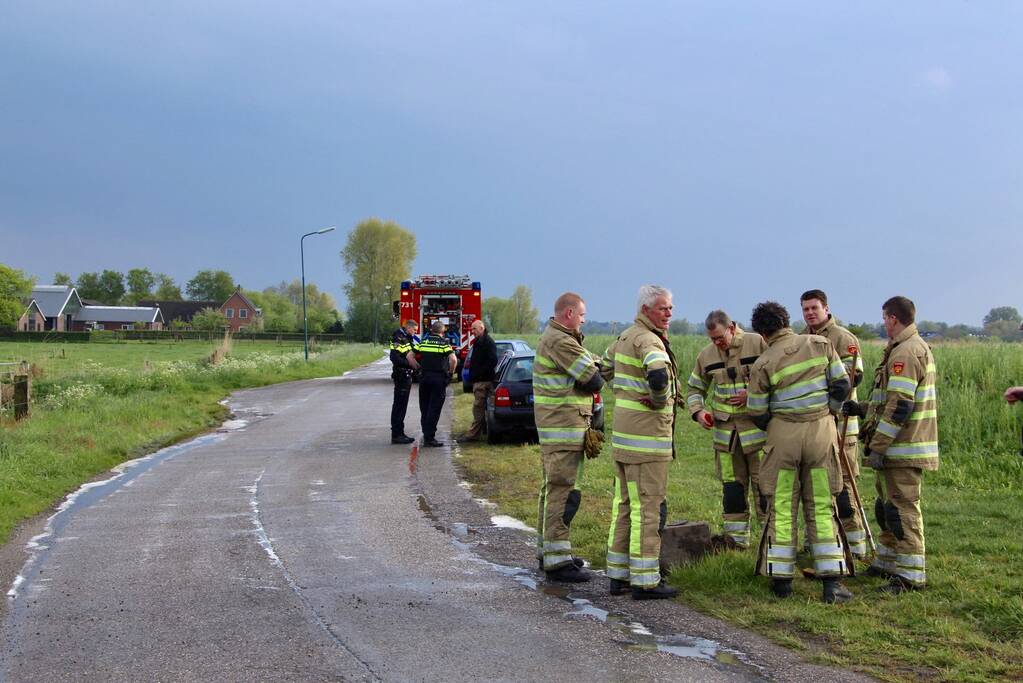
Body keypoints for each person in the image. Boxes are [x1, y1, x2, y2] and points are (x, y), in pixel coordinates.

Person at [746, 301, 853, 604]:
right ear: (786, 321)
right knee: (821, 504)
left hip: (782, 437)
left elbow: (756, 410)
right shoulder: (820, 344)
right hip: (821, 433)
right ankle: (832, 583)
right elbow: (842, 385)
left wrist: (778, 426)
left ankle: (781, 582)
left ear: (763, 333)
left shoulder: (763, 363)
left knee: (781, 505)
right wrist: (828, 412)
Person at [843, 296, 939, 593]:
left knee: (902, 510)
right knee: (887, 508)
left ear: (893, 318)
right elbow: (888, 401)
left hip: (903, 447)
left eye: (884, 318)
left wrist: (880, 446)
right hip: (896, 446)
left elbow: (900, 407)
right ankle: (887, 562)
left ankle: (910, 576)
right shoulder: (901, 348)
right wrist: (863, 409)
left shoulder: (907, 353)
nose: (883, 323)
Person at [601, 285, 679, 599]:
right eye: (663, 308)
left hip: (624, 440)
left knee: (624, 506)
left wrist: (626, 393)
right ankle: (646, 581)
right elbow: (659, 376)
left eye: (671, 308)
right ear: (646, 310)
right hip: (647, 443)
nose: (669, 313)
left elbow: (603, 368)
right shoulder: (649, 340)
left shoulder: (624, 338)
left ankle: (618, 576)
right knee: (648, 510)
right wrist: (659, 402)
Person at [533, 292, 604, 582]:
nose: (584, 321)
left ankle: (548, 551)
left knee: (551, 491)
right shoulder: (561, 341)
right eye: (583, 316)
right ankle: (558, 561)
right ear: (569, 314)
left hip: (558, 430)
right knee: (564, 493)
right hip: (564, 430)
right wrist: (598, 370)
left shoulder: (557, 338)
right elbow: (593, 379)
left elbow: (587, 365)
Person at [686, 310, 767, 549]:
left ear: (731, 327)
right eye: (712, 339)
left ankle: (770, 540)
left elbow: (777, 378)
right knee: (732, 490)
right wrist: (698, 412)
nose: (717, 343)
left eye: (720, 337)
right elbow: (694, 389)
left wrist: (752, 394)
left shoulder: (757, 343)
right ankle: (736, 543)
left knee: (765, 489)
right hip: (726, 437)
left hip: (759, 435)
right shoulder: (706, 355)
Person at [800, 289, 868, 559]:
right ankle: (818, 539)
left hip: (841, 424)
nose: (809, 313)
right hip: (816, 424)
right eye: (805, 309)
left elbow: (855, 376)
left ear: (826, 308)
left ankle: (854, 543)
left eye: (814, 308)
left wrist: (828, 398)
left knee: (843, 485)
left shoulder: (843, 338)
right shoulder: (803, 338)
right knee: (817, 483)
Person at [407, 320, 457, 448]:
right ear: (442, 331)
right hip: (438, 378)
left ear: (431, 330)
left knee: (424, 407)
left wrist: (418, 368)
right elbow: (453, 359)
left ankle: (426, 434)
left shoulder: (423, 342)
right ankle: (430, 437)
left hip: (424, 378)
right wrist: (450, 374)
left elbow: (409, 356)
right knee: (434, 408)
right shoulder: (443, 343)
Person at [462, 319, 497, 441]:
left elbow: (493, 361)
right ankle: (481, 432)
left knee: (478, 408)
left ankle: (473, 436)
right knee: (480, 409)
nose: (472, 331)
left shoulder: (488, 342)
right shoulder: (479, 341)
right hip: (480, 380)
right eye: (472, 329)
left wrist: (479, 373)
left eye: (474, 329)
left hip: (483, 381)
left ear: (482, 328)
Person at [389, 319, 419, 444]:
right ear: (408, 327)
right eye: (414, 330)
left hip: (405, 374)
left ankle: (400, 433)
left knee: (402, 405)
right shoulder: (398, 338)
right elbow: (394, 357)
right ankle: (396, 435)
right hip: (401, 374)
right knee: (399, 405)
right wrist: (410, 365)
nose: (415, 333)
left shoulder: (407, 337)